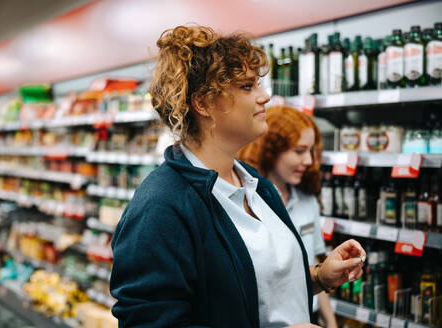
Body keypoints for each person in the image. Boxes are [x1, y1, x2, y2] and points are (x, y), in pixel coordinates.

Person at [110, 24, 366, 328]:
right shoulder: (162, 205)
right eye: (247, 86)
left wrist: (319, 277)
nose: (265, 97)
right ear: (203, 103)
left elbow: (251, 292)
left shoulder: (258, 186)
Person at [237, 106, 338, 327]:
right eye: (299, 151)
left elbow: (312, 266)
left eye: (311, 151)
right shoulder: (245, 201)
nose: (309, 161)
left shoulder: (308, 200)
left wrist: (330, 321)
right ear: (270, 149)